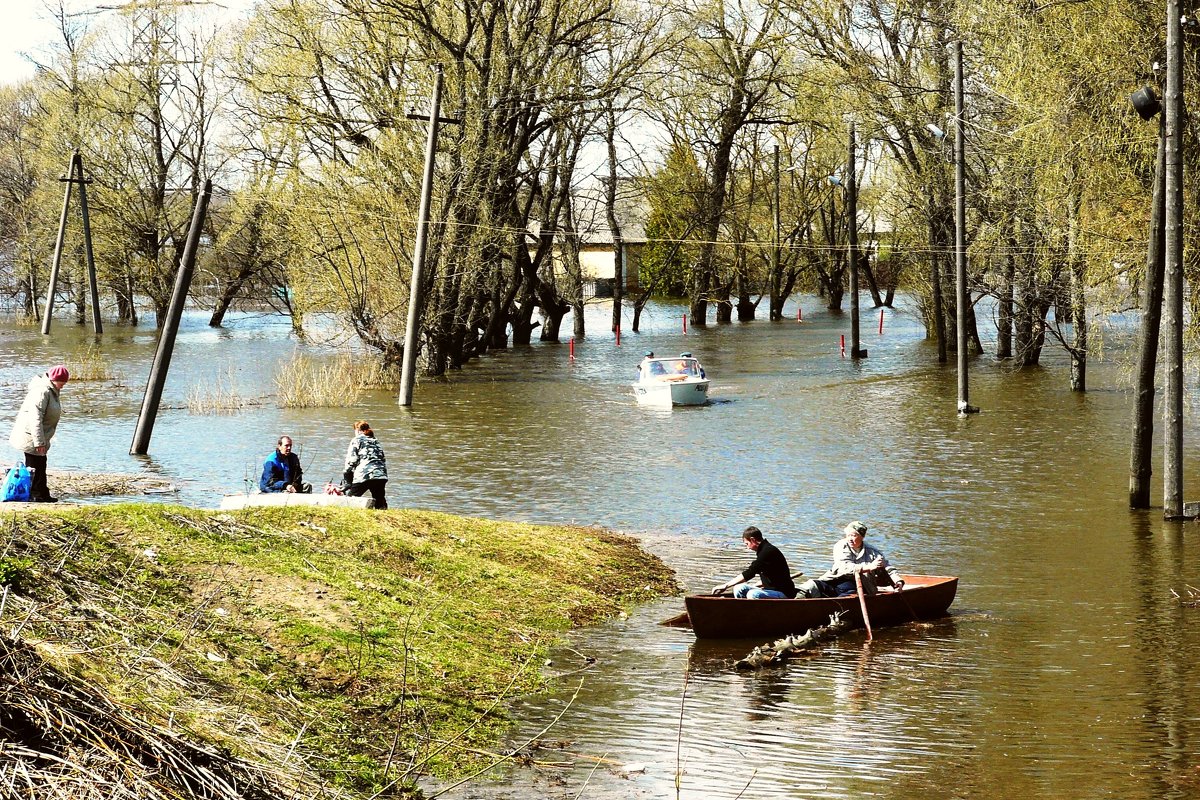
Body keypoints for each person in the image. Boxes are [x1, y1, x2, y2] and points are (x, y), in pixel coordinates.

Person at [795, 521, 904, 598]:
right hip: (836, 580)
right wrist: (868, 567)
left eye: (853, 535)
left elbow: (889, 569)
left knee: (846, 598)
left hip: (860, 586)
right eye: (848, 535)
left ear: (862, 537)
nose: (850, 539)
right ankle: (794, 602)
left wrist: (898, 582)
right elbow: (843, 566)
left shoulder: (872, 552)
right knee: (811, 586)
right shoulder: (841, 545)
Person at [8, 365, 69, 503]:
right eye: (62, 383)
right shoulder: (42, 391)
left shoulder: (52, 390)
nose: (63, 386)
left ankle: (41, 493)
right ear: (54, 379)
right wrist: (39, 442)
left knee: (40, 463)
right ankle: (37, 495)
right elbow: (35, 418)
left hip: (40, 435)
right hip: (31, 435)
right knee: (36, 465)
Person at [710, 526, 798, 599]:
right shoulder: (763, 551)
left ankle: (752, 615)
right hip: (771, 590)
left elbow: (749, 573)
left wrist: (725, 586)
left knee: (753, 594)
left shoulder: (767, 552)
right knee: (739, 588)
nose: (747, 547)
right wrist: (756, 585)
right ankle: (741, 611)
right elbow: (770, 578)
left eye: (747, 544)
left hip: (784, 594)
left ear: (753, 540)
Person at [342, 420, 388, 509]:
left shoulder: (357, 440)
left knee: (350, 500)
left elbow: (351, 461)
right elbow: (382, 458)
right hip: (381, 475)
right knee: (380, 501)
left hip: (364, 474)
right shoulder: (375, 440)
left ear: (357, 430)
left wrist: (347, 480)